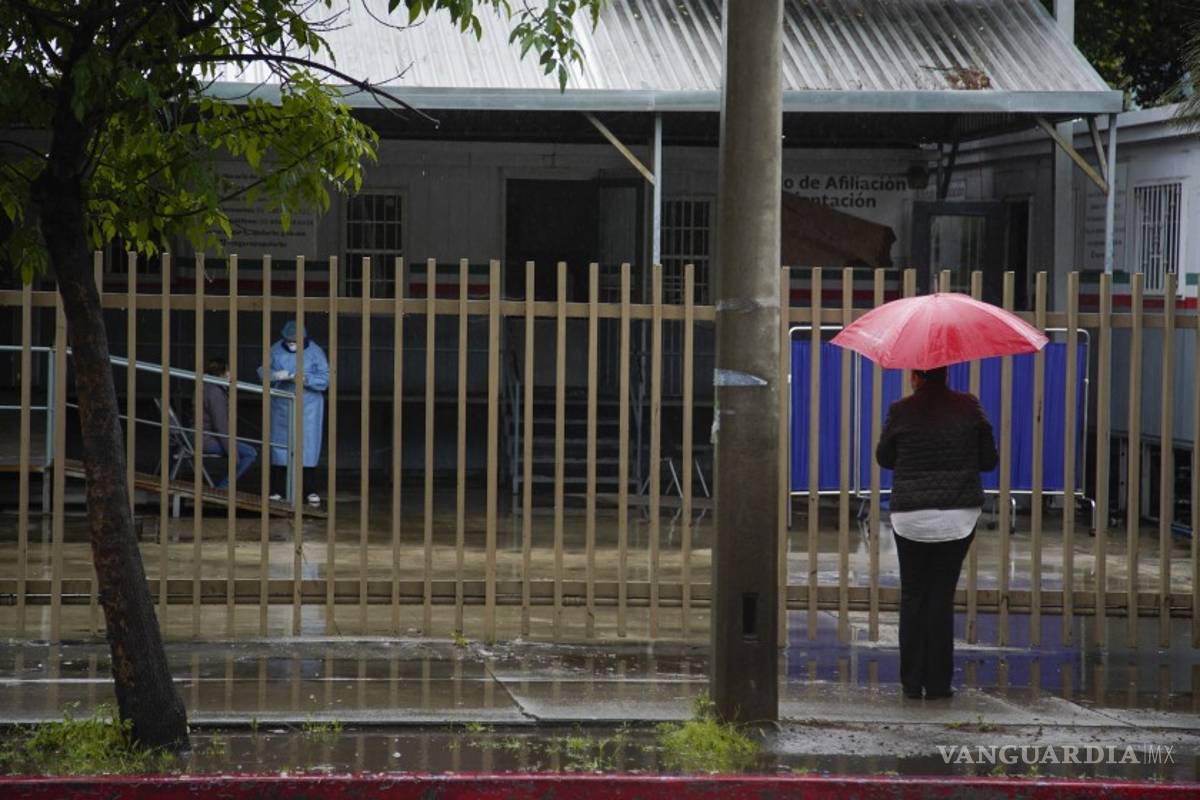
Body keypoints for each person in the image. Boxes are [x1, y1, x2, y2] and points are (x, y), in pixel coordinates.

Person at [875, 365, 998, 700]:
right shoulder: (969, 407)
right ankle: (940, 684)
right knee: (940, 597)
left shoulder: (901, 410)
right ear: (946, 374)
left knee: (914, 595)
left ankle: (911, 683)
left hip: (911, 517)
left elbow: (884, 457)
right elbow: (988, 460)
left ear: (917, 377)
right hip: (957, 517)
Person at [258, 319, 329, 507]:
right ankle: (277, 490)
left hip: (309, 406)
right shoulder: (275, 349)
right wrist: (274, 375)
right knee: (279, 446)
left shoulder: (315, 352)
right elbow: (263, 371)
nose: (292, 343)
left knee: (308, 446)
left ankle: (309, 490)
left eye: (295, 340)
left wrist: (304, 378)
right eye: (289, 340)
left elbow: (324, 378)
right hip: (282, 404)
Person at [202, 357, 257, 489]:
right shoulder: (215, 393)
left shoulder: (207, 387)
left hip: (203, 437)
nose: (230, 374)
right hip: (206, 439)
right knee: (251, 453)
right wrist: (232, 452)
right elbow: (220, 426)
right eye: (228, 370)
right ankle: (224, 486)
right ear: (222, 373)